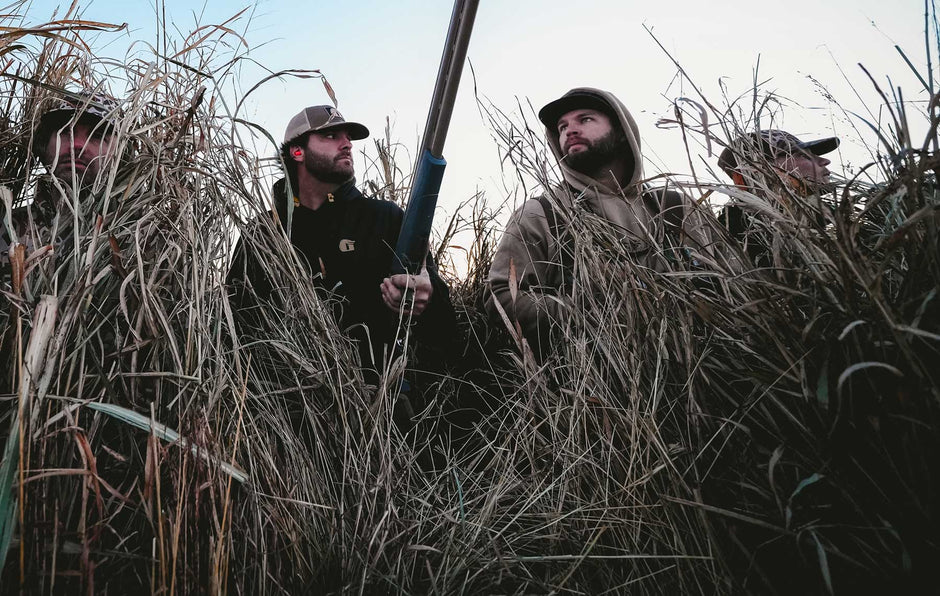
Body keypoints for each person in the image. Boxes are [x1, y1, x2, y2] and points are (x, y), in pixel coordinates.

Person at [485, 87, 723, 358]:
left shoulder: (677, 207)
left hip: (706, 367)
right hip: (593, 379)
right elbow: (501, 297)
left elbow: (735, 281)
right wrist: (590, 314)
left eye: (585, 119)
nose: (570, 131)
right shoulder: (540, 213)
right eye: (562, 127)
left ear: (622, 131)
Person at [228, 105, 455, 380]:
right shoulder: (263, 233)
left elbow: (446, 325)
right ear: (297, 152)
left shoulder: (386, 218)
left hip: (379, 396)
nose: (347, 144)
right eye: (331, 136)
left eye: (348, 137)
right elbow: (235, 321)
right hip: (282, 397)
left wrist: (427, 298)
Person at [0, 90, 118, 283]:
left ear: (119, 153)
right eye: (64, 131)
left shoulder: (138, 238)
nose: (77, 144)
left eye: (97, 135)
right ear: (43, 145)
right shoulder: (6, 228)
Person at [717, 130, 839, 267]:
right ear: (759, 170)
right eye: (803, 155)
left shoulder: (837, 220)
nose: (825, 161)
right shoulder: (727, 241)